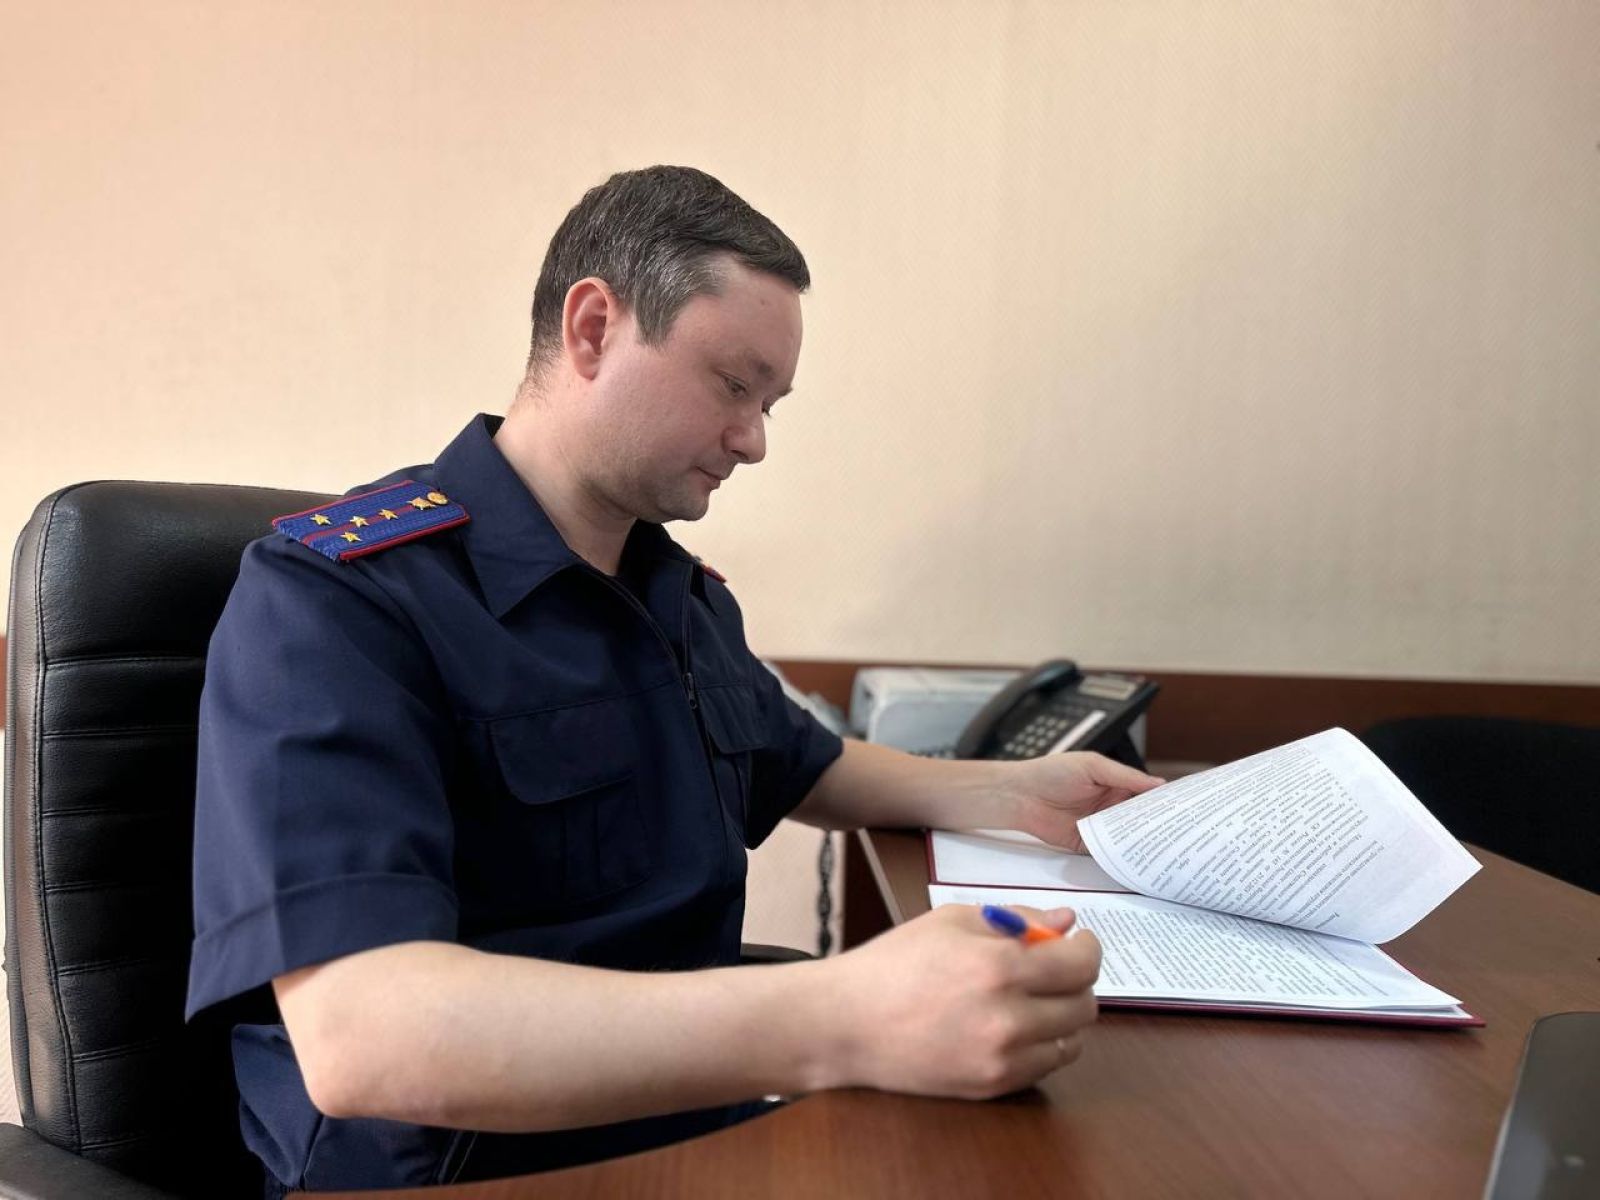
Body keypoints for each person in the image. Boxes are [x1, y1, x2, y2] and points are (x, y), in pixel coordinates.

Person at [186, 165, 1163, 1194]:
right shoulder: (339, 600)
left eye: (769, 404)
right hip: (469, 1169)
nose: (754, 439)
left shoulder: (677, 592)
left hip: (692, 1132)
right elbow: (363, 1039)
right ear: (593, 328)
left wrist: (1014, 791)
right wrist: (844, 1015)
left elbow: (803, 763)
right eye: (734, 385)